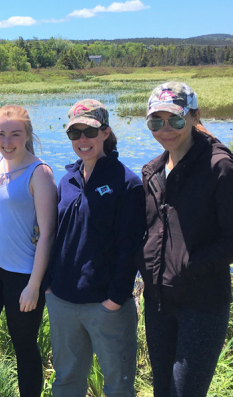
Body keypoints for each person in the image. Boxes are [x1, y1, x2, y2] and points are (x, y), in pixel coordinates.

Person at [43, 99, 145, 397]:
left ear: (105, 133)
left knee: (118, 384)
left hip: (106, 306)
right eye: (75, 133)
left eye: (89, 131)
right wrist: (49, 285)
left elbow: (131, 246)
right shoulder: (67, 181)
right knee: (66, 380)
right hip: (62, 300)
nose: (82, 140)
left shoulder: (127, 183)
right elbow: (54, 237)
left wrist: (114, 298)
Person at [139, 82, 233, 397]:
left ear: (193, 117)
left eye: (175, 120)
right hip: (158, 303)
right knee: (162, 391)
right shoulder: (152, 172)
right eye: (156, 121)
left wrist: (187, 267)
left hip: (202, 303)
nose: (165, 129)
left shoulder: (218, 166)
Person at [0, 105, 57, 397]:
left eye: (15, 134)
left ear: (28, 134)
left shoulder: (40, 173)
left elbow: (47, 234)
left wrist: (35, 285)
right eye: (0, 134)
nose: (7, 142)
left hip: (21, 274)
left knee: (24, 347)